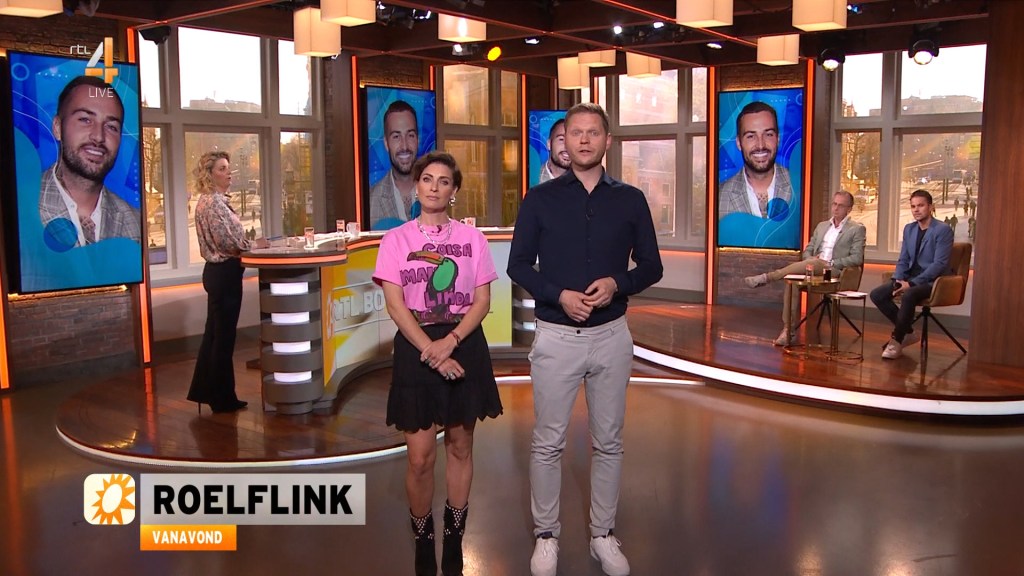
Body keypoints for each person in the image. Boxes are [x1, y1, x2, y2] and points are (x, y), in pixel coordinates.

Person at [508, 102, 663, 576]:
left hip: (612, 337)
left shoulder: (631, 199)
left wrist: (618, 283)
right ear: (564, 141)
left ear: (607, 141)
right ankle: (546, 536)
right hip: (557, 336)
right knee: (547, 444)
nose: (583, 140)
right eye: (575, 132)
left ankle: (603, 535)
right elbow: (518, 265)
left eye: (593, 132)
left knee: (609, 442)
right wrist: (559, 295)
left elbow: (652, 266)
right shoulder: (539, 199)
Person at [372, 151, 503, 576]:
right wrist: (431, 349)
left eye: (443, 181)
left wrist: (451, 341)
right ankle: (423, 537)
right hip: (417, 346)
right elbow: (395, 306)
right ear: (416, 186)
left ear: (454, 190)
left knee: (461, 447)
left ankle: (455, 535)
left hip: (463, 342)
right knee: (420, 458)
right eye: (427, 179)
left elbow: (482, 301)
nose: (434, 187)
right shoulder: (396, 240)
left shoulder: (473, 240)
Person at [187, 151, 263, 413]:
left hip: (219, 274)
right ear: (209, 175)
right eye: (222, 168)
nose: (228, 172)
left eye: (228, 168)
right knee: (223, 338)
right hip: (224, 273)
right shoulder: (214, 204)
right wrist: (254, 245)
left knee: (214, 335)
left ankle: (206, 392)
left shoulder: (210, 201)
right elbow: (228, 242)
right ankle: (222, 398)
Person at [743, 191, 866, 346]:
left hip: (834, 271)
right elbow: (807, 251)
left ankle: (768, 277)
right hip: (814, 267)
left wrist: (831, 262)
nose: (836, 208)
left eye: (841, 205)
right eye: (834, 204)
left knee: (816, 264)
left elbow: (857, 258)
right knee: (791, 281)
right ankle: (788, 331)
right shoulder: (822, 226)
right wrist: (810, 259)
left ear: (849, 209)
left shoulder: (856, 229)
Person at [39, 75, 140, 249]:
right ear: (57, 127)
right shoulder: (20, 208)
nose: (99, 137)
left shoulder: (134, 222)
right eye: (85, 120)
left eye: (111, 127)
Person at [869, 189, 953, 359]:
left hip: (933, 281)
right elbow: (904, 258)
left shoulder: (943, 230)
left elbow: (939, 264)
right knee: (877, 294)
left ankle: (897, 340)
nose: (916, 210)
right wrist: (898, 279)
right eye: (913, 206)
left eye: (921, 205)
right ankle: (908, 332)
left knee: (909, 294)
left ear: (930, 207)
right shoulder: (909, 229)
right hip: (910, 277)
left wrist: (911, 284)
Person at [719, 101, 794, 219]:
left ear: (778, 139)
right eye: (751, 136)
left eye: (768, 134)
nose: (760, 145)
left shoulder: (799, 187)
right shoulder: (720, 195)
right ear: (738, 143)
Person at [370, 100, 420, 230]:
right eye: (396, 137)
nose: (404, 146)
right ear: (386, 143)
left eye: (410, 135)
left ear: (418, 140)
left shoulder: (436, 194)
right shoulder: (371, 200)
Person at [538, 118, 569, 183]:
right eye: (561, 139)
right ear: (549, 144)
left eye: (573, 140)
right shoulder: (532, 178)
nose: (568, 146)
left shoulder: (586, 182)